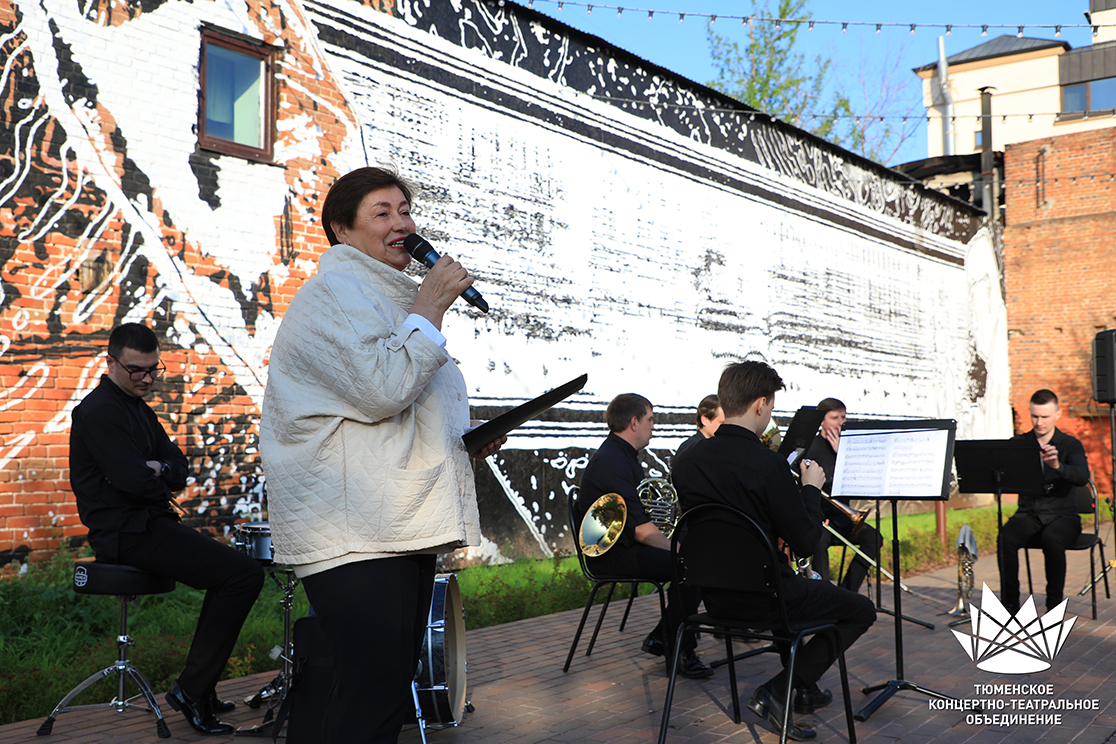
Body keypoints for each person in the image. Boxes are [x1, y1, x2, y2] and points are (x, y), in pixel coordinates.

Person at [261, 166, 505, 744]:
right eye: (382, 212)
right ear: (342, 230)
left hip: (390, 525)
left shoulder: (383, 298)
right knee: (374, 692)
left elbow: (398, 403)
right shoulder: (334, 295)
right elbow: (382, 387)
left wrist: (464, 436)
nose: (402, 223)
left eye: (405, 210)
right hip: (356, 530)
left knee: (381, 689)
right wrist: (431, 308)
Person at [69, 323, 265, 736]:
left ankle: (200, 688)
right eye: (135, 370)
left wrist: (157, 468)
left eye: (152, 369)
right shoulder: (98, 411)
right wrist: (156, 472)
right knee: (242, 575)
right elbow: (134, 482)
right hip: (124, 533)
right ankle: (192, 691)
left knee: (236, 573)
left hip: (149, 523)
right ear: (110, 363)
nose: (146, 378)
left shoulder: (138, 409)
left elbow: (179, 468)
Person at [672, 362, 876, 741]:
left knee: (785, 585)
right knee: (861, 610)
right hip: (767, 600)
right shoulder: (768, 464)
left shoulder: (685, 461)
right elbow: (805, 542)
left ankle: (802, 689)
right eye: (772, 407)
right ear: (761, 405)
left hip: (714, 600)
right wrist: (811, 489)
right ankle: (779, 691)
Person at [574, 393, 711, 679]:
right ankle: (678, 646)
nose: (653, 426)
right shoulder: (612, 462)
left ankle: (665, 636)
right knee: (690, 564)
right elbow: (640, 530)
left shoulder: (622, 456)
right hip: (611, 554)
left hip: (623, 547)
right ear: (634, 422)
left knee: (692, 560)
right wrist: (677, 548)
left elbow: (642, 516)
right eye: (650, 419)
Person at [998, 389, 1090, 614]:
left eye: (1045, 416)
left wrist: (1057, 466)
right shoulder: (1019, 443)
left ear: (1057, 414)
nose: (1039, 422)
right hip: (1029, 514)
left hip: (1064, 516)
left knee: (1052, 538)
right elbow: (1004, 474)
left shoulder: (1070, 444)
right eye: (1035, 416)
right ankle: (1010, 604)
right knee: (1005, 537)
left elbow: (1082, 477)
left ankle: (1054, 605)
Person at [803, 398, 883, 593]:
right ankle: (824, 595)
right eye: (834, 418)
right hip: (820, 520)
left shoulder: (849, 447)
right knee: (818, 541)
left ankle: (846, 592)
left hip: (844, 519)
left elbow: (859, 484)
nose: (840, 423)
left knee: (874, 538)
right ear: (822, 421)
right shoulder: (811, 447)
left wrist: (843, 455)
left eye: (843, 417)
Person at [673, 393, 723, 460]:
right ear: (705, 420)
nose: (726, 427)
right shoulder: (690, 449)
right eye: (722, 423)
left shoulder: (721, 447)